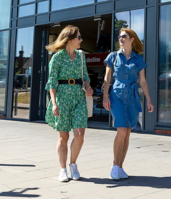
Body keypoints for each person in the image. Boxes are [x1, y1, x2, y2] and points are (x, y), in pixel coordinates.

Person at [102, 28, 154, 180]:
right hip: (116, 95)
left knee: (127, 133)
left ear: (131, 39)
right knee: (121, 131)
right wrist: (105, 96)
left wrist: (148, 99)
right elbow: (107, 78)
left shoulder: (138, 60)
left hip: (131, 97)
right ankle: (114, 165)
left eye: (124, 36)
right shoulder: (113, 57)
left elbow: (142, 81)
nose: (121, 38)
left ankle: (120, 166)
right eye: (119, 37)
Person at [45, 25, 94, 182]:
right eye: (79, 37)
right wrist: (54, 103)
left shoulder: (81, 56)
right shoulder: (57, 58)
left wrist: (88, 87)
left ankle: (73, 164)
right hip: (62, 98)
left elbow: (85, 76)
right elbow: (52, 82)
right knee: (63, 137)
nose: (81, 40)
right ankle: (62, 169)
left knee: (79, 135)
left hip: (79, 98)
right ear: (70, 39)